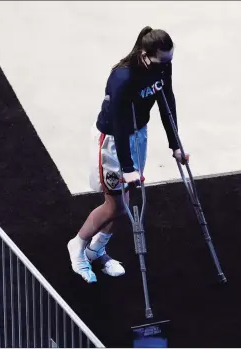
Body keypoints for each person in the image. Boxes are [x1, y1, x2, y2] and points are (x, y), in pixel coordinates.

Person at [67, 26, 189, 283]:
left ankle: (95, 251)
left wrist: (175, 144)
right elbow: (120, 124)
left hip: (138, 135)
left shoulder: (162, 66)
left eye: (169, 61)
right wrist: (127, 167)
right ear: (145, 55)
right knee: (115, 205)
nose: (165, 67)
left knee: (124, 202)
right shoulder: (122, 79)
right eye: (160, 61)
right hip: (112, 141)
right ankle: (77, 246)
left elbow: (168, 100)